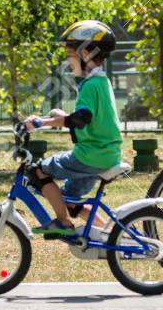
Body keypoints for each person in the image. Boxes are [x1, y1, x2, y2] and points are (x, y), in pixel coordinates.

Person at [26, 20, 124, 240]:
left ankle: (63, 223)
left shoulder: (90, 85)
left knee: (37, 171)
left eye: (70, 55)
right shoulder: (101, 82)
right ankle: (111, 234)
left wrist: (41, 123)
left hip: (90, 156)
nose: (68, 62)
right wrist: (60, 117)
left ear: (86, 53)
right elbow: (89, 119)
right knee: (68, 201)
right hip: (105, 154)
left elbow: (80, 120)